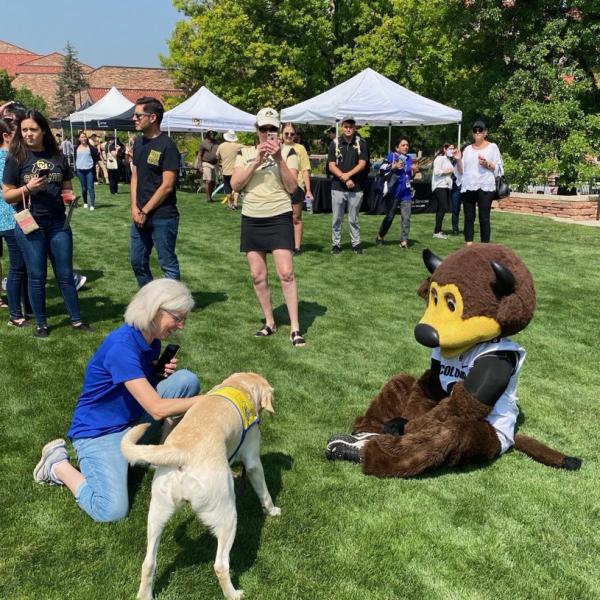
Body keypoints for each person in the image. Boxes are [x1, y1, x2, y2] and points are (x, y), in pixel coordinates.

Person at [32, 278, 201, 522]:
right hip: (99, 433)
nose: (181, 325)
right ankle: (56, 465)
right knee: (111, 510)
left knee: (186, 380)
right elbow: (156, 409)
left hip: (130, 419)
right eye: (178, 318)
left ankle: (163, 454)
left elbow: (134, 385)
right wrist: (208, 400)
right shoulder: (121, 347)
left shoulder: (150, 340)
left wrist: (155, 371)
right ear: (155, 311)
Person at [2, 110, 91, 338]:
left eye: (33, 129)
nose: (28, 134)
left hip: (57, 224)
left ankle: (77, 320)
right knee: (36, 275)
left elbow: (67, 186)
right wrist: (28, 188)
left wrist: (70, 198)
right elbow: (8, 195)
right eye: (24, 130)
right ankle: (41, 323)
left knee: (64, 273)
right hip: (30, 223)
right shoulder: (16, 157)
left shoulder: (57, 156)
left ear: (43, 130)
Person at [231, 107, 306, 347]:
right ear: (257, 130)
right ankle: (269, 322)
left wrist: (278, 159)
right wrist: (257, 161)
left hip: (279, 216)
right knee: (257, 275)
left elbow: (292, 187)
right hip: (252, 216)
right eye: (264, 129)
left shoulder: (289, 152)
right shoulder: (244, 153)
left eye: (273, 128)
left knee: (286, 273)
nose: (268, 133)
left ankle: (295, 328)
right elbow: (235, 184)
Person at [130, 96, 181, 287]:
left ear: (152, 118)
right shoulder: (138, 143)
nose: (134, 119)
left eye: (138, 115)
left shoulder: (167, 146)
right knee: (137, 262)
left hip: (163, 216)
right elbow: (134, 177)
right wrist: (135, 208)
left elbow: (168, 185)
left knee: (167, 264)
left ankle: (174, 306)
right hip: (139, 216)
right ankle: (150, 300)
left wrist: (146, 210)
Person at [0, 117, 32, 326]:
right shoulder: (6, 158)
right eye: (17, 135)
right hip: (10, 218)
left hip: (14, 217)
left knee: (24, 266)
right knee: (18, 267)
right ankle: (15, 314)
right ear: (5, 136)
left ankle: (27, 307)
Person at [327, 116, 369, 254]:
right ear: (342, 127)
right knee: (336, 219)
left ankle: (355, 244)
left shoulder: (361, 143)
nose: (348, 129)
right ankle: (336, 245)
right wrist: (344, 178)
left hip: (356, 187)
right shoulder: (335, 143)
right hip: (338, 187)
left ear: (355, 128)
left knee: (354, 219)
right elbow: (331, 165)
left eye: (351, 127)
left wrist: (348, 175)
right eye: (346, 126)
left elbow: (362, 164)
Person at [460, 120, 503, 244]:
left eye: (480, 130)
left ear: (485, 132)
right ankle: (469, 247)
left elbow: (499, 168)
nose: (477, 132)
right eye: (475, 130)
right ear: (472, 133)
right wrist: (457, 160)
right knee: (469, 217)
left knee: (484, 218)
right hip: (469, 186)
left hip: (485, 186)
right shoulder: (467, 149)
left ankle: (485, 248)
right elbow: (461, 170)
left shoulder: (492, 147)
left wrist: (487, 164)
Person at [375, 138, 413, 249]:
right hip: (393, 192)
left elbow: (409, 174)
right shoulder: (391, 156)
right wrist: (393, 167)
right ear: (397, 147)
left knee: (406, 218)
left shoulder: (409, 158)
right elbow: (381, 170)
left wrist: (414, 172)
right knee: (390, 216)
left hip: (406, 192)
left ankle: (404, 240)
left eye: (407, 145)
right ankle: (380, 236)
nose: (406, 147)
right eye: (403, 145)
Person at [281, 123, 313, 256]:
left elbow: (305, 169)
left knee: (296, 217)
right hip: (279, 188)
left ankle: (297, 246)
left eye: (292, 134)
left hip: (296, 186)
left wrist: (308, 190)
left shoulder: (300, 148)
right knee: (280, 218)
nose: (289, 136)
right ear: (281, 134)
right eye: (286, 133)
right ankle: (281, 244)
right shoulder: (277, 146)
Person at [430, 143, 456, 239]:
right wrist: (449, 171)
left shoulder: (447, 159)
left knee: (442, 208)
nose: (452, 150)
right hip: (439, 186)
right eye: (450, 148)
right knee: (443, 208)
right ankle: (437, 232)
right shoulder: (439, 158)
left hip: (445, 186)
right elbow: (437, 172)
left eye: (453, 148)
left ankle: (438, 231)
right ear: (444, 149)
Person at [216, 130, 242, 210]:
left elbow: (217, 156)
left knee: (227, 188)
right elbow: (248, 148)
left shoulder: (221, 146)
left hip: (226, 171)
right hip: (235, 171)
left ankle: (229, 204)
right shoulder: (237, 146)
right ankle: (235, 203)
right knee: (237, 188)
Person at [74, 132, 99, 210]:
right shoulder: (76, 148)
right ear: (79, 139)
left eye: (84, 137)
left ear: (86, 138)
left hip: (89, 170)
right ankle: (85, 202)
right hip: (80, 170)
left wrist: (94, 165)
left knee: (90, 187)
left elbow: (96, 157)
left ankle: (92, 205)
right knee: (84, 188)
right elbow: (75, 158)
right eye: (81, 137)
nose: (83, 139)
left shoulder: (91, 148)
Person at [196, 130, 219, 202]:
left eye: (213, 133)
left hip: (215, 164)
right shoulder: (204, 143)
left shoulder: (216, 142)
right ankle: (208, 198)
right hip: (206, 163)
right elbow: (199, 155)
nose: (212, 134)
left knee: (213, 182)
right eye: (211, 132)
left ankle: (210, 196)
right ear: (208, 133)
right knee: (208, 180)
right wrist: (200, 166)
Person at [450, 146, 463, 235]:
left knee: (469, 209)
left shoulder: (468, 162)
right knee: (455, 209)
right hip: (456, 187)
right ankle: (455, 229)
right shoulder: (453, 161)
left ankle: (468, 228)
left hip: (466, 186)